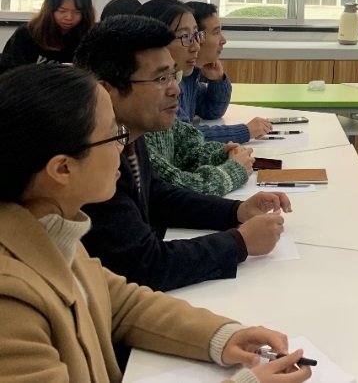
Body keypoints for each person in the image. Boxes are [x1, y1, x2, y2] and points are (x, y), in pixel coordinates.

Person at [0, 63, 311, 382]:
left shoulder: (50, 228)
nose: (122, 147)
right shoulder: (10, 299)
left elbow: (118, 303)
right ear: (63, 169)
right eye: (113, 135)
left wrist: (221, 336)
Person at [74, 16, 290, 291]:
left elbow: (157, 196)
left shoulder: (127, 134)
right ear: (107, 91)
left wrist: (237, 210)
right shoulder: (88, 159)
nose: (175, 89)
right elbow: (144, 265)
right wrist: (239, 242)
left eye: (173, 76)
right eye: (161, 79)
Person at [134, 0, 254, 195]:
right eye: (185, 37)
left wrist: (222, 154)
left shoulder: (181, 82)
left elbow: (189, 146)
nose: (196, 46)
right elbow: (173, 188)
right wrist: (234, 168)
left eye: (197, 35)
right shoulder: (137, 119)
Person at [183, 0, 271, 143]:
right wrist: (245, 131)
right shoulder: (174, 82)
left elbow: (212, 111)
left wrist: (217, 79)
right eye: (216, 32)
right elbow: (183, 137)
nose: (223, 40)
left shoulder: (190, 77)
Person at [0, 0, 95, 74]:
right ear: (49, 9)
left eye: (77, 12)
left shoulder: (90, 37)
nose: (69, 17)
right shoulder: (26, 34)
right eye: (62, 11)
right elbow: (10, 73)